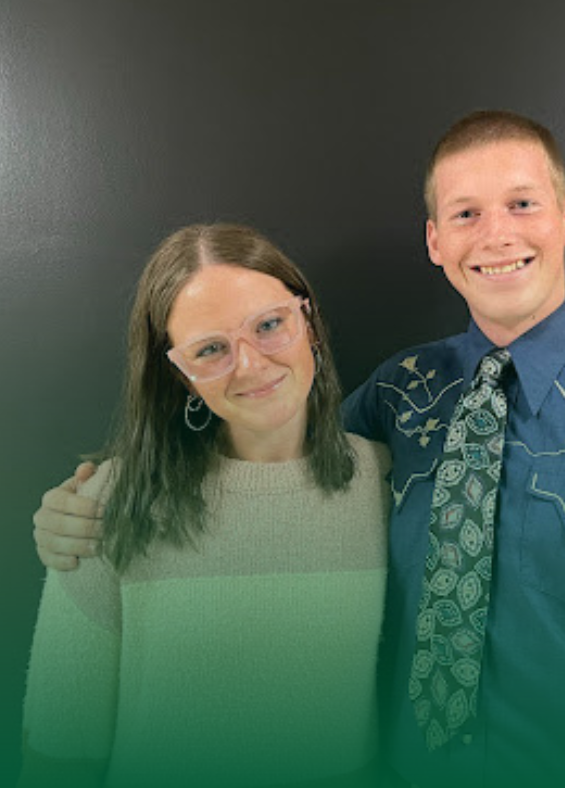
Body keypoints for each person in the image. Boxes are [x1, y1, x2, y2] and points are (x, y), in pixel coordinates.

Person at [32, 112, 565, 787]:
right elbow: (276, 470)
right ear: (436, 241)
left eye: (521, 203)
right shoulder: (395, 400)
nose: (498, 233)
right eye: (467, 214)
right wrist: (78, 514)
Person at [19, 223, 390, 788]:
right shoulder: (107, 504)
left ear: (307, 323)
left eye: (270, 325)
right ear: (183, 378)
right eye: (211, 349)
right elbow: (58, 748)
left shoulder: (390, 484)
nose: (250, 365)